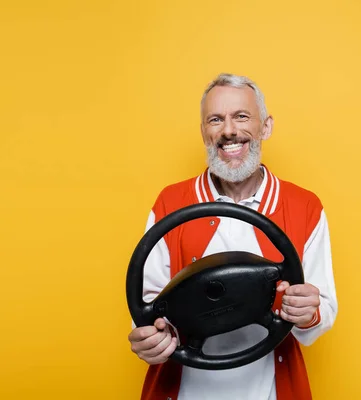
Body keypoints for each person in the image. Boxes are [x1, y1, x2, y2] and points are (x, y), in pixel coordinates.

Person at [127, 73, 338, 400]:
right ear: (204, 133)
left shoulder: (304, 207)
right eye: (215, 120)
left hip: (270, 388)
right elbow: (149, 308)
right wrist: (152, 339)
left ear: (265, 127)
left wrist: (307, 310)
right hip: (185, 389)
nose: (229, 131)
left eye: (241, 116)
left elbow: (319, 315)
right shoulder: (170, 203)